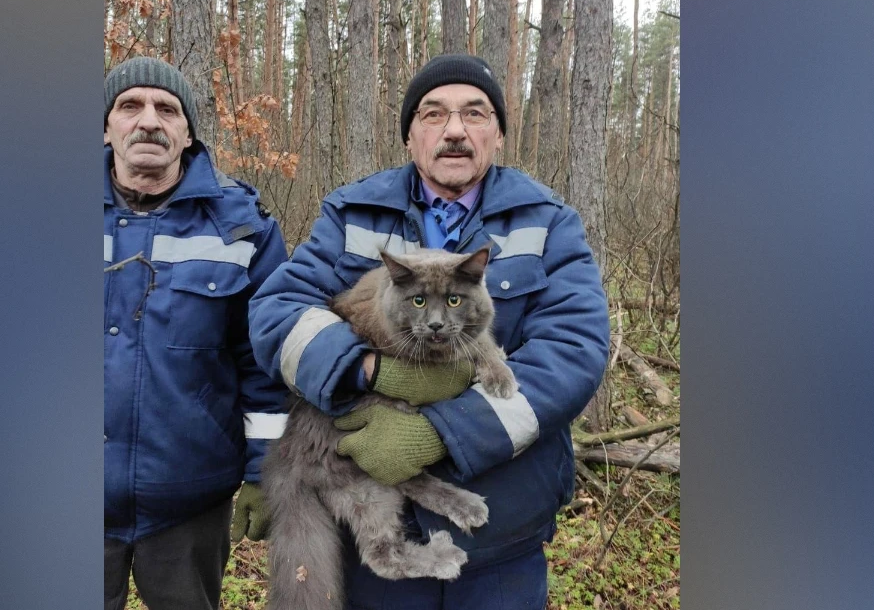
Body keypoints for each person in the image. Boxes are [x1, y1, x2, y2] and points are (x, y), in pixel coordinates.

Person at [248, 53, 611, 609]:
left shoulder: (548, 221)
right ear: (411, 136)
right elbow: (278, 309)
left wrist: (444, 430)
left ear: (499, 136)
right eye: (434, 115)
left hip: (501, 532)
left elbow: (575, 351)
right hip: (370, 513)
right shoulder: (351, 212)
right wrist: (362, 369)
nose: (456, 131)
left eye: (476, 114)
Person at [103, 56, 288, 610]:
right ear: (106, 126)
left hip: (189, 498)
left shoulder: (242, 227)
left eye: (167, 109)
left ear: (187, 132)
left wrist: (265, 472)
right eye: (129, 106)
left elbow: (267, 365)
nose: (149, 120)